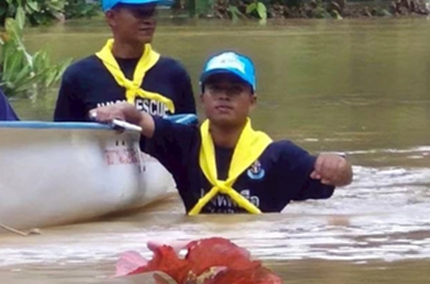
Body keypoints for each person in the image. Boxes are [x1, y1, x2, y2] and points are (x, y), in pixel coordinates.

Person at [92, 51, 353, 214]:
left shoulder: (279, 156)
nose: (224, 96)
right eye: (215, 89)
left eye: (235, 90)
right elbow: (143, 121)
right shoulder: (183, 143)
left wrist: (339, 167)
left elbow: (338, 179)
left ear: (252, 101)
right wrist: (124, 109)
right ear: (202, 98)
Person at [53, 0, 196, 122]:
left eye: (152, 12)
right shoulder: (79, 76)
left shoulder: (173, 73)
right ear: (111, 17)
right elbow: (63, 134)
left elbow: (190, 132)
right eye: (140, 12)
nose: (149, 21)